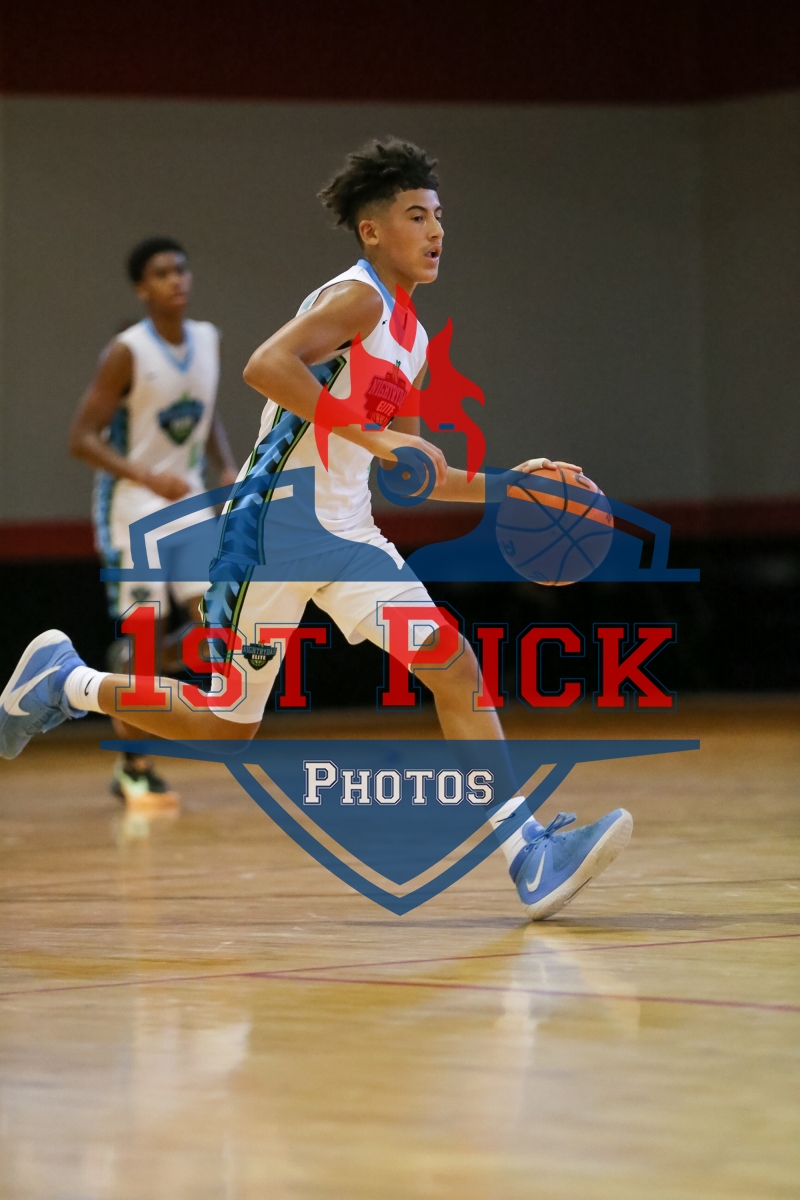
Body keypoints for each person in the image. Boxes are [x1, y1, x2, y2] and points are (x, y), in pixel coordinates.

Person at [1, 140, 631, 919]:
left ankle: (527, 852)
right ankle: (66, 681)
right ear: (372, 231)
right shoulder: (358, 298)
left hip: (346, 533)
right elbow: (267, 365)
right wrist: (371, 437)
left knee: (454, 666)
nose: (436, 231)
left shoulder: (412, 338)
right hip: (271, 530)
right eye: (416, 216)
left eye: (439, 216)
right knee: (227, 728)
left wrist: (512, 487)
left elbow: (412, 469)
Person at [67, 236, 239, 806]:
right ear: (142, 289)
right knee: (144, 638)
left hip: (189, 503)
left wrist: (225, 465)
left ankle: (137, 663)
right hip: (132, 510)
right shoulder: (127, 351)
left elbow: (205, 413)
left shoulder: (209, 339)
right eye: (162, 273)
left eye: (181, 270)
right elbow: (81, 438)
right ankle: (133, 766)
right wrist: (145, 475)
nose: (176, 280)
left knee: (218, 626)